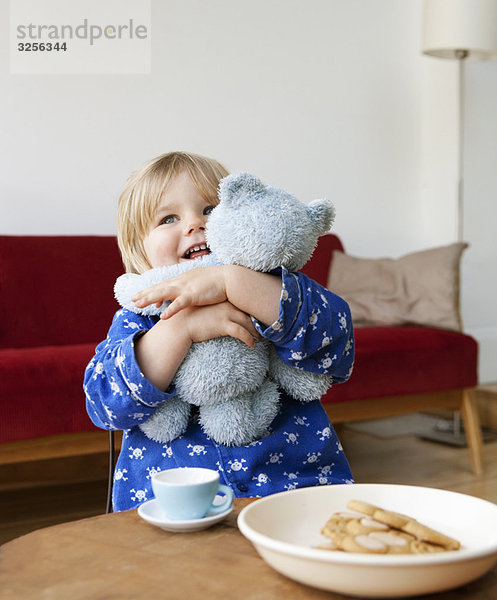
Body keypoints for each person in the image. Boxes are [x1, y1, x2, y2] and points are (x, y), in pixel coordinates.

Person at [84, 151, 355, 512]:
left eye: (210, 209)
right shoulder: (139, 316)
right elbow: (105, 405)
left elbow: (337, 346)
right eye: (168, 218)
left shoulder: (275, 289)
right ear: (139, 250)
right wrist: (181, 327)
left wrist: (231, 280)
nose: (195, 224)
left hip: (293, 490)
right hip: (170, 506)